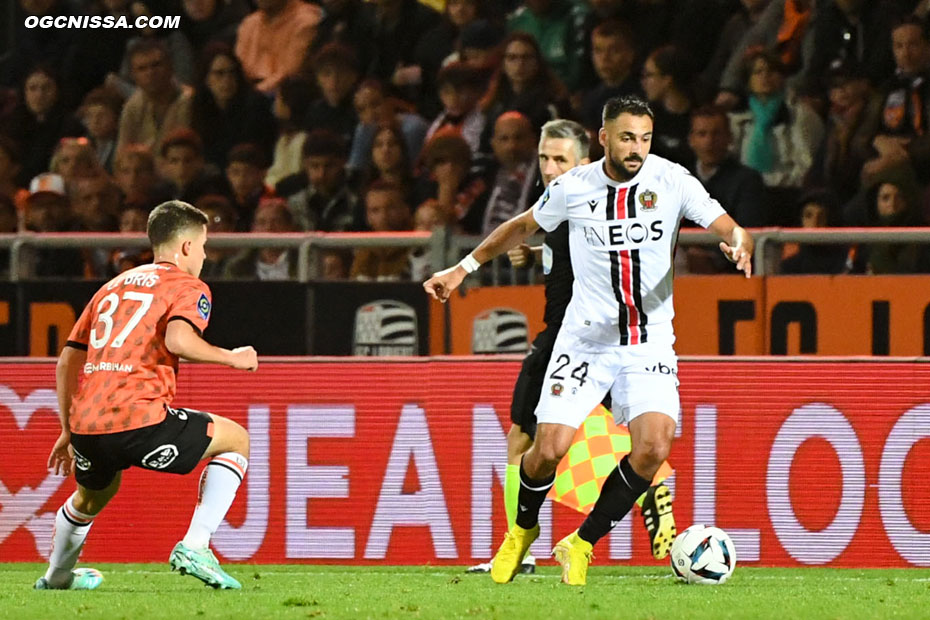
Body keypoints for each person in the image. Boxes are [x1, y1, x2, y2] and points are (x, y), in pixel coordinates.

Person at [424, 96, 754, 586]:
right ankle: (523, 531)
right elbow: (521, 226)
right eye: (626, 138)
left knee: (653, 447)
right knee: (547, 449)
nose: (637, 148)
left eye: (644, 137)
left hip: (648, 343)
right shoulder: (575, 188)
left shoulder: (672, 180)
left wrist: (739, 241)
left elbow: (726, 223)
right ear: (603, 138)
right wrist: (461, 268)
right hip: (584, 342)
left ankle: (580, 544)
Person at [465, 118, 677, 575]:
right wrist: (538, 251)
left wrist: (510, 250)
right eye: (543, 157)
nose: (550, 167)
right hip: (598, 338)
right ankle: (653, 478)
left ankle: (519, 549)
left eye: (560, 158)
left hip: (572, 338)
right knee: (574, 434)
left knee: (526, 437)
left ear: (585, 160)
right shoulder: (575, 202)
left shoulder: (578, 198)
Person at [35, 199, 258, 591]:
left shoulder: (111, 287)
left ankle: (57, 577)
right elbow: (178, 338)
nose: (204, 256)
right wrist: (232, 358)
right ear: (187, 246)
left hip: (90, 423)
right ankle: (196, 545)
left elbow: (68, 359)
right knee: (236, 439)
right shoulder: (188, 286)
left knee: (91, 497)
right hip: (140, 419)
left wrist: (68, 428)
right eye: (203, 246)